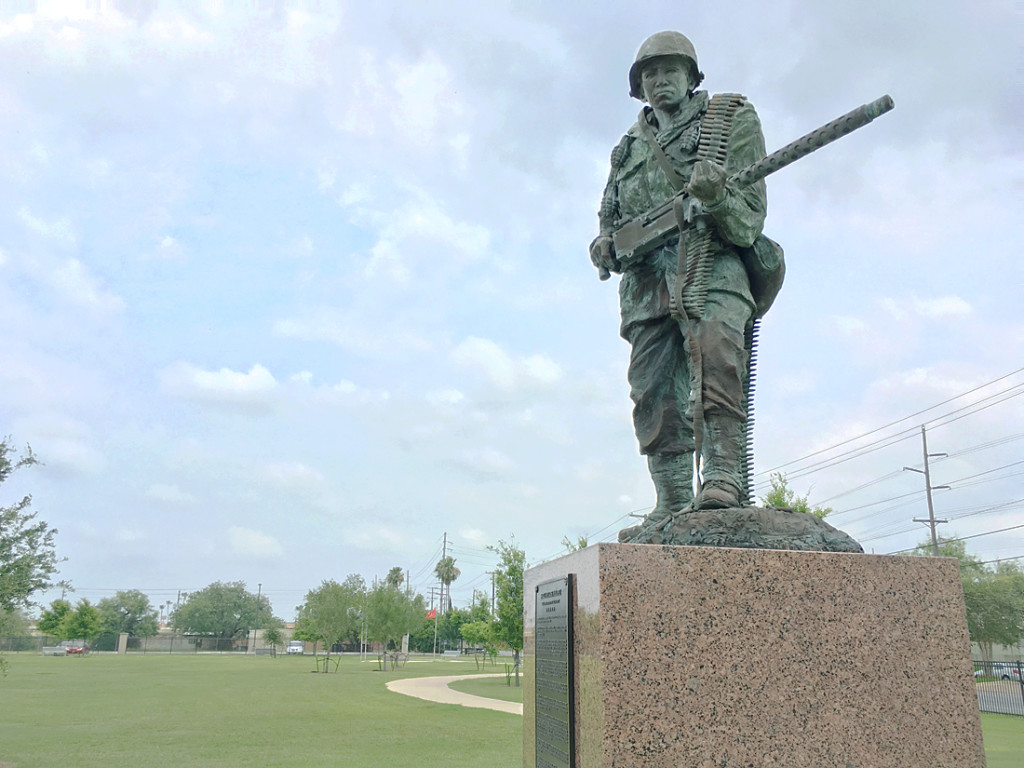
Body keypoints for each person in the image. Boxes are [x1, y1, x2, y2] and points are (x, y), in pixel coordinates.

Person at [590, 31, 769, 539]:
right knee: (651, 391)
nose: (660, 80)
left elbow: (750, 216)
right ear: (639, 86)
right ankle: (670, 498)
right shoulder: (626, 150)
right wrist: (604, 245)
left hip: (710, 262)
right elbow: (608, 221)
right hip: (647, 286)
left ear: (692, 77)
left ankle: (722, 478)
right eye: (650, 73)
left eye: (671, 70)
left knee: (717, 360)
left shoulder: (728, 119)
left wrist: (716, 199)